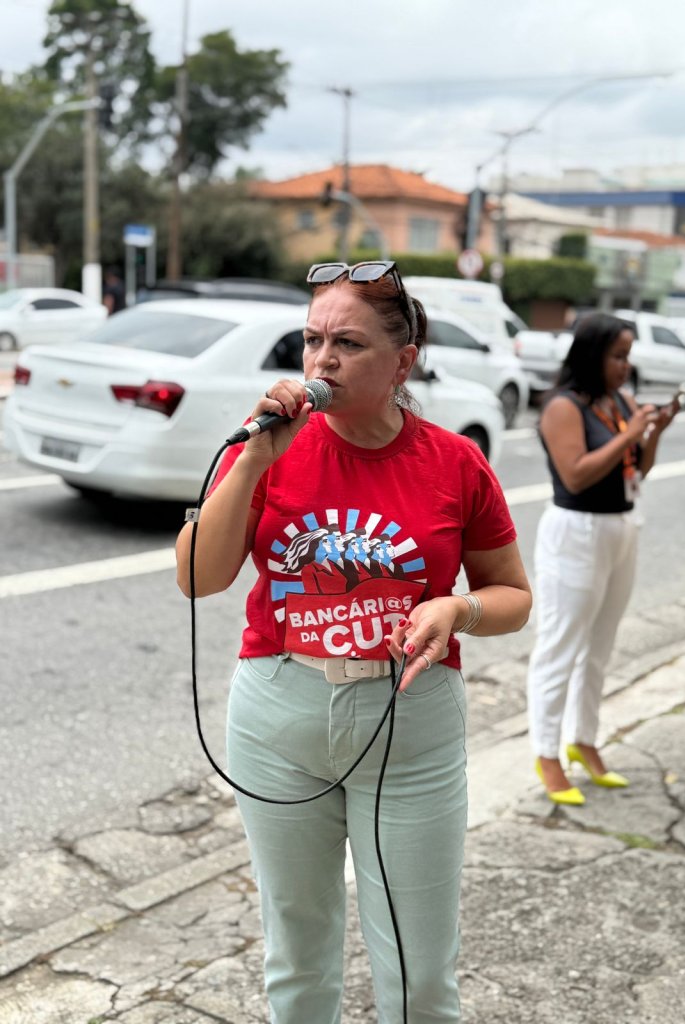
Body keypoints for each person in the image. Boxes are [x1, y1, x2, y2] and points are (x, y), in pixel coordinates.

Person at [175, 259, 532, 1023]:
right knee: (297, 954)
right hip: (280, 715)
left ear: (403, 361)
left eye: (348, 343)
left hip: (411, 726)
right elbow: (200, 580)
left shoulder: (455, 462)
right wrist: (253, 463)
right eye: (311, 340)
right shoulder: (271, 446)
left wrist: (457, 612)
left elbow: (513, 596)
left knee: (417, 968)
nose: (321, 361)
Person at [526, 312, 679, 805]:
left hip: (622, 525)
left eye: (628, 355)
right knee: (560, 644)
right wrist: (630, 434)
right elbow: (576, 475)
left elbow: (639, 468)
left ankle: (584, 740)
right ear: (592, 354)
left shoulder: (619, 402)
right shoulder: (561, 407)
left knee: (601, 644)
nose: (626, 366)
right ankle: (546, 752)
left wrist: (653, 434)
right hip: (577, 530)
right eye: (618, 355)